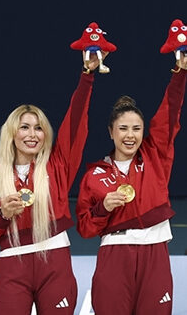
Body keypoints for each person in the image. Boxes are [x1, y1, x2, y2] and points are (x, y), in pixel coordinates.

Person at [0, 53, 100, 315]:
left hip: (55, 262)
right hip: (12, 264)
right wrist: (2, 216)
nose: (32, 135)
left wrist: (87, 76)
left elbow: (75, 124)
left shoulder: (57, 166)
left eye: (38, 128)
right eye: (25, 128)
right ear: (12, 134)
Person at [75, 56, 187, 315]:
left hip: (155, 253)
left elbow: (170, 112)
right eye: (123, 128)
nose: (130, 135)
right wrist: (102, 208)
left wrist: (180, 72)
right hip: (115, 255)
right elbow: (84, 228)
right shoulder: (94, 174)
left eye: (137, 128)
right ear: (110, 132)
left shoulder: (155, 156)